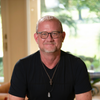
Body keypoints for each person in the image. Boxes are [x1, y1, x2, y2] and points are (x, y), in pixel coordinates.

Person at [9, 15, 92, 100]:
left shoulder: (77, 66)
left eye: (54, 33)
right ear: (36, 37)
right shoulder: (22, 66)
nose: (49, 39)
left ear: (63, 36)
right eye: (43, 34)